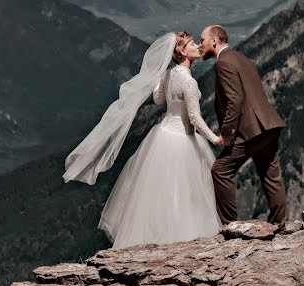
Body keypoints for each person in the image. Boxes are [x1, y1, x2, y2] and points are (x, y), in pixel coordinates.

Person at [64, 31, 222, 249]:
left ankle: (155, 241)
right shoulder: (190, 83)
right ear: (183, 52)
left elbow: (158, 99)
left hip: (163, 135)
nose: (198, 46)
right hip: (183, 139)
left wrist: (157, 80)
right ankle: (182, 243)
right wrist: (215, 138)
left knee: (158, 194)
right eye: (192, 44)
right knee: (184, 194)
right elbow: (194, 117)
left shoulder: (169, 75)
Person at [199, 24, 288, 225]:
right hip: (269, 126)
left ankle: (230, 225)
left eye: (202, 40)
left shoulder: (222, 63)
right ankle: (280, 224)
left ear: (214, 40)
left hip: (251, 131)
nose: (200, 44)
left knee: (220, 170)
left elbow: (235, 100)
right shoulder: (242, 58)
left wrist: (227, 135)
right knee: (271, 175)